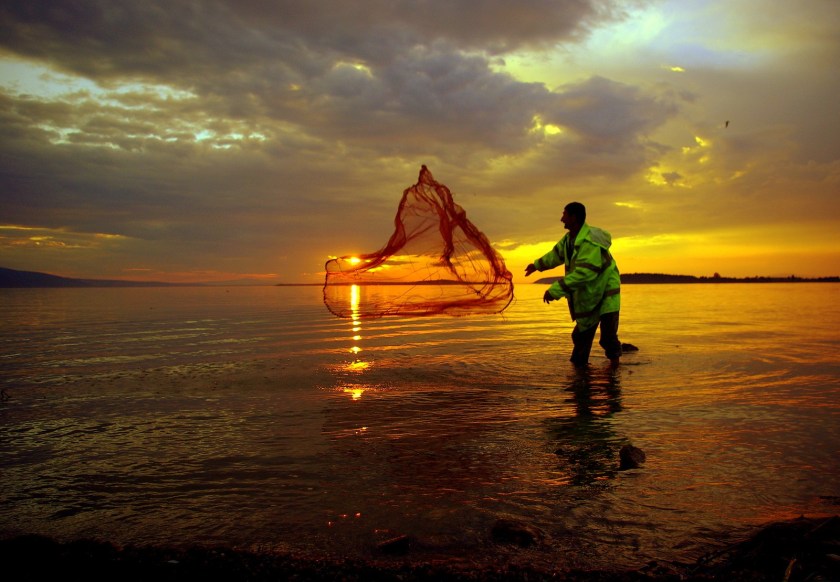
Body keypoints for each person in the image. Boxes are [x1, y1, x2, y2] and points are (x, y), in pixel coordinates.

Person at [525, 202, 622, 368]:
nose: (561, 218)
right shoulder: (569, 240)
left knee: (607, 338)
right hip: (591, 294)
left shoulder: (590, 241)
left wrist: (555, 290)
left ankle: (615, 369)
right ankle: (580, 372)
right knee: (580, 337)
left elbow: (584, 274)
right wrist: (537, 265)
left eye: (565, 214)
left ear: (574, 217)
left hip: (606, 294)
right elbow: (555, 255)